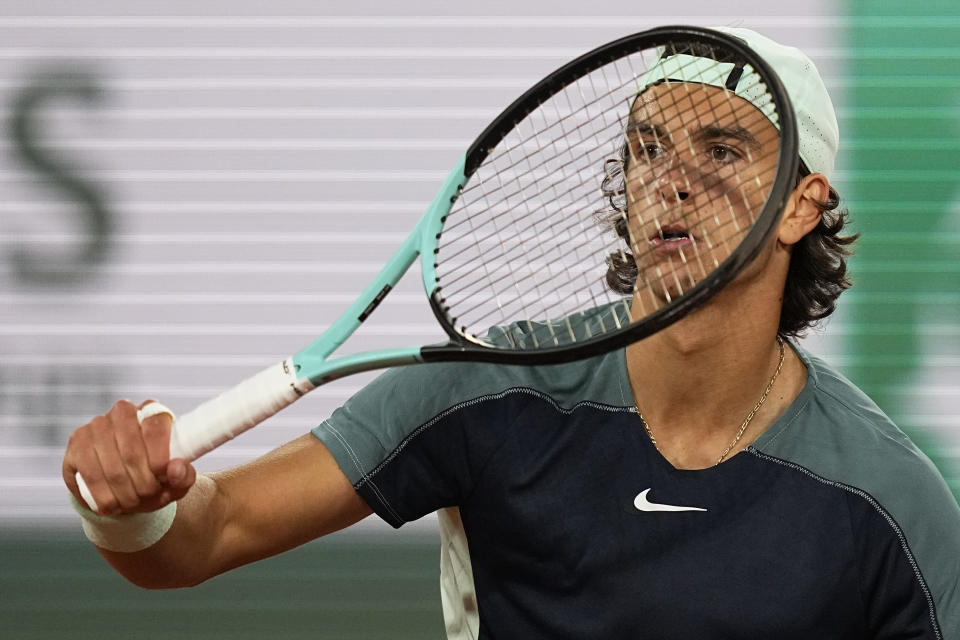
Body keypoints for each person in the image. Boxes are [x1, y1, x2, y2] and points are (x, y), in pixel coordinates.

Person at [62, 27, 959, 638]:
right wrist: (132, 510)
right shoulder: (485, 391)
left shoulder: (889, 501)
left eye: (721, 152)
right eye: (648, 148)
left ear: (804, 204)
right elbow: (199, 540)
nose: (672, 182)